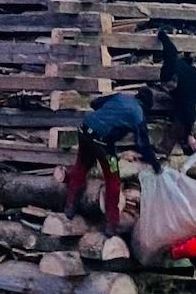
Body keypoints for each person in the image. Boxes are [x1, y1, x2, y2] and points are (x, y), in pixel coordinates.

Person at [63, 86, 162, 235]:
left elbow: (95, 103)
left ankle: (70, 206)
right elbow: (142, 144)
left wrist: (108, 117)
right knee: (113, 179)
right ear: (147, 106)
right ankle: (111, 223)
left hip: (84, 130)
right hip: (103, 142)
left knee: (82, 166)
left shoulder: (120, 97)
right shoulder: (138, 114)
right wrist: (155, 164)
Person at [158, 29, 196, 154]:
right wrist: (162, 35)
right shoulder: (170, 64)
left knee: (180, 117)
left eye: (169, 87)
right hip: (189, 87)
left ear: (176, 81)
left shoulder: (187, 90)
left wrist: (189, 134)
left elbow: (189, 112)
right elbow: (170, 49)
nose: (167, 90)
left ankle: (168, 147)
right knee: (176, 105)